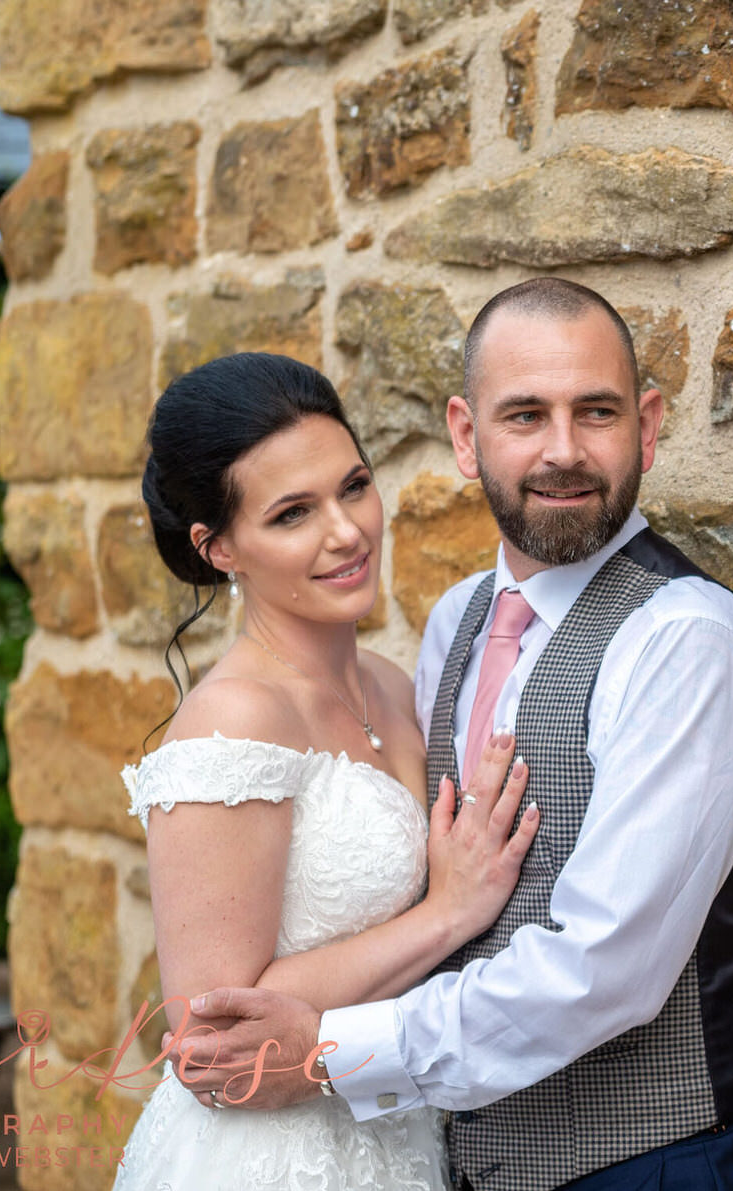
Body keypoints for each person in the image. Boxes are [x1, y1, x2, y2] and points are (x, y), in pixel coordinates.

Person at [171, 279, 733, 1191]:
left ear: (649, 425)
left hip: (662, 1162)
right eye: (524, 415)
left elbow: (605, 967)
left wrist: (329, 1051)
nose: (563, 450)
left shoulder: (688, 640)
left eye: (597, 411)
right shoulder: (455, 624)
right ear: (467, 438)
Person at [111, 352, 540, 1191]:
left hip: (394, 1127)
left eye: (353, 486)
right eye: (292, 514)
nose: (346, 531)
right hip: (265, 1158)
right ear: (219, 546)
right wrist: (446, 913)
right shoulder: (236, 718)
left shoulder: (394, 682)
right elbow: (213, 1028)